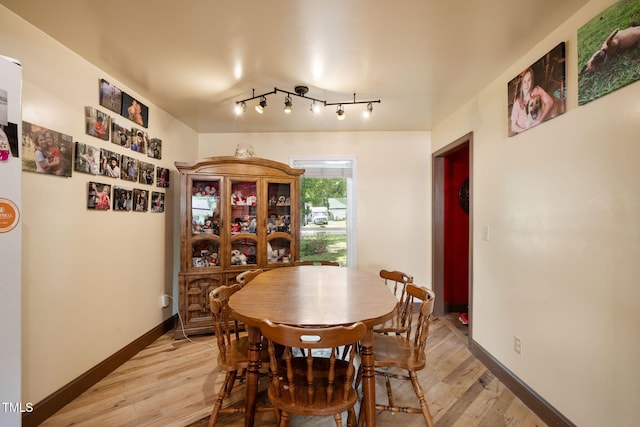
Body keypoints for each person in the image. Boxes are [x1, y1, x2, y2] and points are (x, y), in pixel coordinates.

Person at [510, 67, 554, 134]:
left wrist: (539, 121)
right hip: (524, 133)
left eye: (529, 80)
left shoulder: (536, 91)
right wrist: (526, 130)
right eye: (524, 81)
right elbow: (513, 127)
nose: (526, 84)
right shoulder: (517, 103)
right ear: (521, 84)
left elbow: (550, 102)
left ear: (532, 80)